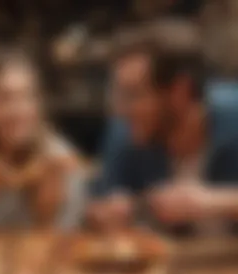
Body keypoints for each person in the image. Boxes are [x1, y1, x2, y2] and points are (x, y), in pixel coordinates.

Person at [88, 21, 238, 235]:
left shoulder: (234, 115)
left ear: (179, 91)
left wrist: (215, 202)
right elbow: (99, 210)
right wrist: (105, 214)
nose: (120, 110)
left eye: (133, 95)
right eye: (119, 95)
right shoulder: (124, 133)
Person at [0, 50, 87, 230]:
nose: (17, 111)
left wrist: (46, 213)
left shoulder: (60, 161)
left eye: (27, 97)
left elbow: (65, 249)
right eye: (3, 98)